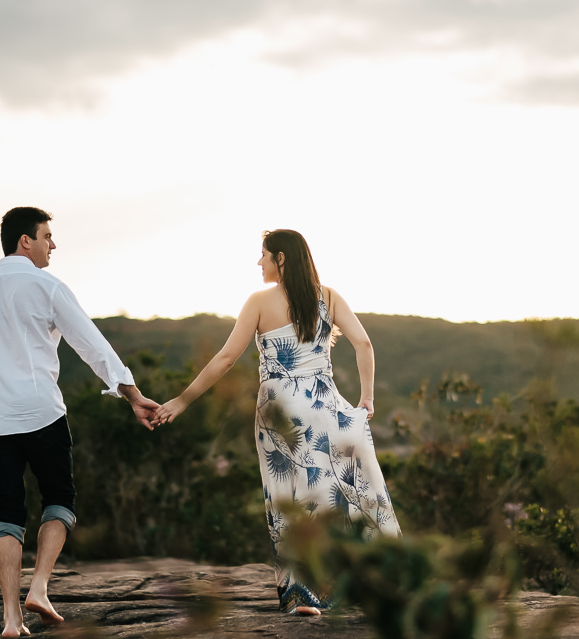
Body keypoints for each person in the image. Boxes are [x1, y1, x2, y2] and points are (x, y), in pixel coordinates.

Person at [153, 229, 401, 615]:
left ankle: (304, 594)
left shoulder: (258, 302)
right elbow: (364, 344)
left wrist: (182, 401)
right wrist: (366, 398)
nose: (259, 262)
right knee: (343, 489)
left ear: (281, 258)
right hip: (324, 402)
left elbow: (225, 359)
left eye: (264, 255)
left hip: (280, 409)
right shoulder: (329, 297)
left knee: (289, 495)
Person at [0, 207, 160, 638]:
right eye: (47, 236)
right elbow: (92, 344)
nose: (52, 244)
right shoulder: (48, 286)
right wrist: (131, 395)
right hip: (43, 414)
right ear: (26, 241)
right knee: (60, 497)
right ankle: (39, 586)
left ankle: (10, 619)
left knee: (8, 512)